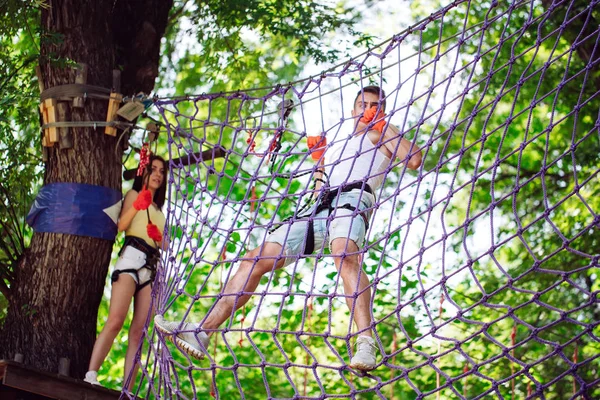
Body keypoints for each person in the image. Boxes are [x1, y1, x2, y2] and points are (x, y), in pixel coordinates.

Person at [155, 85, 422, 371]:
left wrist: (384, 124)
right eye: (362, 104)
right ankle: (202, 332)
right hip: (319, 207)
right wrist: (320, 164)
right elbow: (320, 180)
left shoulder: (381, 135)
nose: (367, 108)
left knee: (344, 257)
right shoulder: (338, 144)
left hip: (353, 200)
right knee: (253, 259)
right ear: (353, 109)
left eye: (375, 104)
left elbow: (414, 159)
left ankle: (365, 342)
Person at [84, 155, 167, 389]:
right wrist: (138, 204)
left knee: (139, 331)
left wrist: (159, 238)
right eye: (154, 169)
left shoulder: (160, 210)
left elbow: (165, 245)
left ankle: (127, 388)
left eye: (162, 171)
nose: (158, 174)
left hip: (152, 267)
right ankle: (91, 374)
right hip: (131, 258)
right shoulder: (133, 194)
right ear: (146, 172)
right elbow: (120, 226)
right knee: (116, 320)